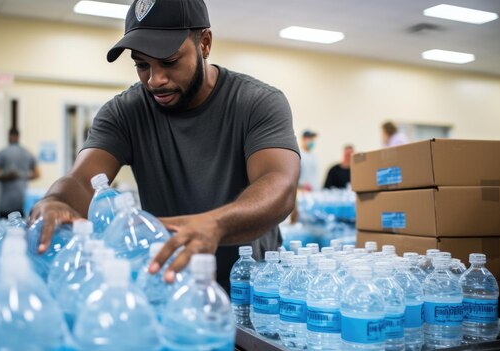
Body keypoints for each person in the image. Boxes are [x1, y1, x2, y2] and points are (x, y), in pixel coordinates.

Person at [29, 0, 300, 293]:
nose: (155, 80)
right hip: (173, 286)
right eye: (142, 65)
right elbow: (82, 181)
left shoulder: (256, 102)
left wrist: (215, 224)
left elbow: (279, 185)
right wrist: (56, 200)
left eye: (169, 61)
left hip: (255, 291)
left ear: (205, 43)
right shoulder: (124, 112)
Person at [0, 128, 40, 218]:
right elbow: (37, 174)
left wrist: (7, 177)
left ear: (9, 136)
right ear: (18, 137)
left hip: (6, 203)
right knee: (19, 227)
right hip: (21, 201)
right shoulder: (27, 153)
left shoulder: (2, 153)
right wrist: (23, 176)